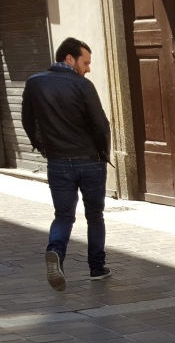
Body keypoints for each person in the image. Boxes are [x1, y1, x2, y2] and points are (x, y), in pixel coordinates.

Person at [22, 37, 112, 292]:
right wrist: (103, 153)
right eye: (86, 62)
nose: (88, 68)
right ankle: (97, 268)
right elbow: (100, 124)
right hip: (90, 161)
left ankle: (55, 252)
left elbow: (28, 122)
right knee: (95, 215)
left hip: (58, 161)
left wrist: (43, 147)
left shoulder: (34, 83)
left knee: (63, 215)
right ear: (69, 59)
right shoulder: (82, 85)